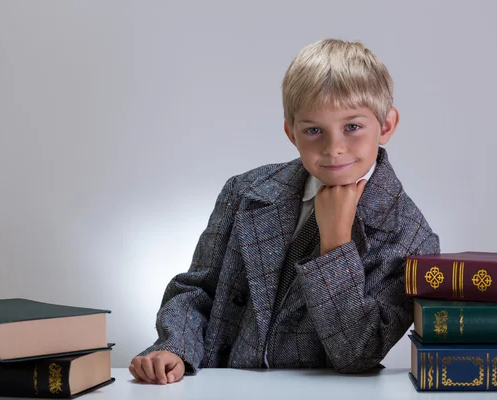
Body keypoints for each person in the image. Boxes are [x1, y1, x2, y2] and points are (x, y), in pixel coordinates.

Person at [129, 38, 440, 385]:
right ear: (291, 133)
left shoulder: (412, 240)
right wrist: (175, 347)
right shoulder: (245, 192)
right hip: (223, 388)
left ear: (385, 126)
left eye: (352, 127)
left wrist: (336, 245)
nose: (334, 148)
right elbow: (197, 289)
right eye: (313, 130)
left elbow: (358, 353)